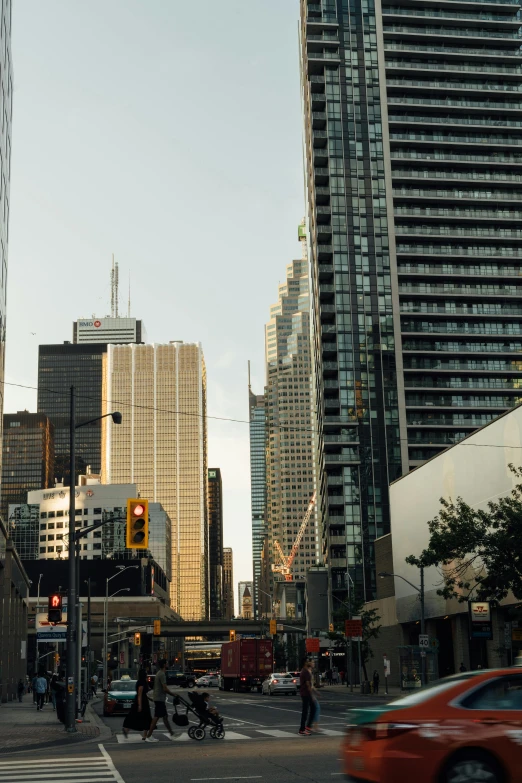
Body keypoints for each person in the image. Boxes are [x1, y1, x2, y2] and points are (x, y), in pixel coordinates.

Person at [146, 659, 180, 741]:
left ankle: (172, 734)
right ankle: (149, 736)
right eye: (167, 663)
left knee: (164, 717)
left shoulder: (159, 673)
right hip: (159, 698)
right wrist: (173, 694)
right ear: (164, 665)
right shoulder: (162, 674)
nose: (167, 664)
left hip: (158, 698)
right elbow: (165, 688)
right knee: (157, 717)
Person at [123, 669, 153, 742]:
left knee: (143, 717)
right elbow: (140, 694)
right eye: (146, 673)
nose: (147, 674)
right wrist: (140, 705)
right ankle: (127, 730)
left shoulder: (142, 682)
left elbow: (143, 693)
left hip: (143, 700)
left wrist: (150, 698)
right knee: (137, 716)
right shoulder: (141, 682)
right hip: (142, 701)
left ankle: (144, 735)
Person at [298, 658, 317, 736]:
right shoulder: (305, 672)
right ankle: (302, 729)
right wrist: (312, 695)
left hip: (305, 693)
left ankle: (307, 727)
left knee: (313, 708)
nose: (310, 663)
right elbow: (308, 684)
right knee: (305, 711)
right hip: (306, 693)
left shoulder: (304, 671)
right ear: (306, 663)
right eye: (309, 661)